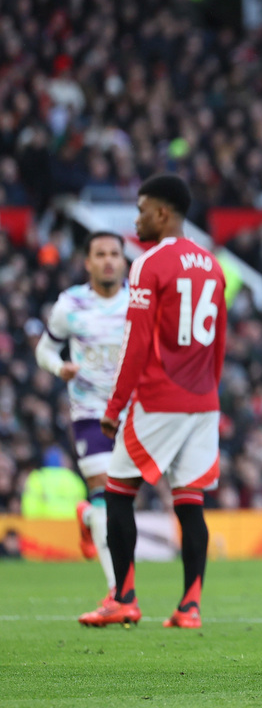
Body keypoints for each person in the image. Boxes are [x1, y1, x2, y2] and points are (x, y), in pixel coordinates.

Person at [81, 174, 227, 629]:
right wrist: (207, 391)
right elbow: (219, 344)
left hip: (160, 396)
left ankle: (123, 597)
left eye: (142, 208)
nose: (137, 217)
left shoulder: (147, 264)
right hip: (204, 401)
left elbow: (137, 342)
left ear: (162, 213)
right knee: (190, 500)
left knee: (118, 490)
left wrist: (114, 407)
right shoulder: (214, 265)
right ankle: (190, 606)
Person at [35, 230, 128, 619]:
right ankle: (117, 594)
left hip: (136, 412)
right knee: (107, 496)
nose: (108, 260)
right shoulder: (69, 305)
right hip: (91, 412)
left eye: (114, 254)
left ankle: (87, 517)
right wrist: (61, 368)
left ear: (124, 261)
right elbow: (44, 348)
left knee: (122, 505)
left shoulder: (140, 302)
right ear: (87, 262)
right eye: (100, 254)